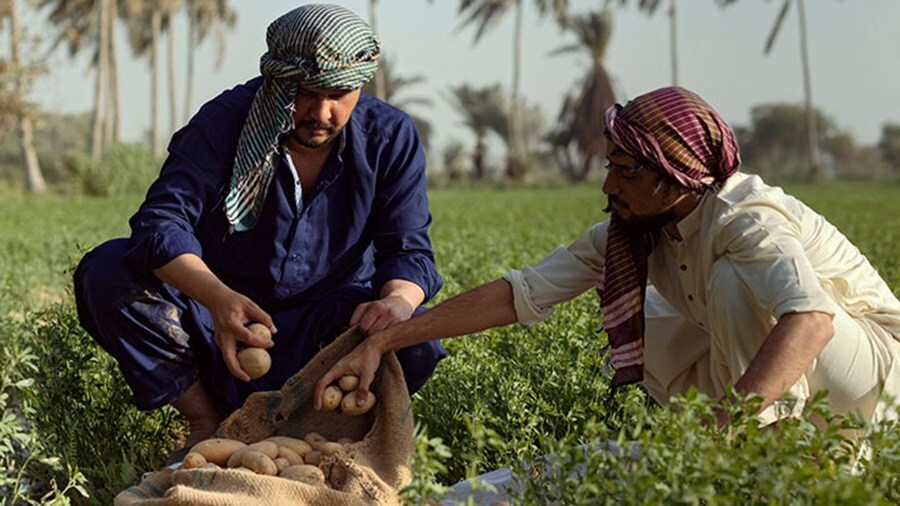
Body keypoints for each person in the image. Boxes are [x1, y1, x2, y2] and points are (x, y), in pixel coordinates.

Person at [316, 86, 900, 431]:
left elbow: (811, 320)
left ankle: (753, 444)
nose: (608, 188)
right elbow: (520, 294)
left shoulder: (744, 217)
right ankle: (736, 437)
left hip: (874, 377)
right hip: (808, 377)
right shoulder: (631, 231)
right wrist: (384, 341)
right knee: (646, 315)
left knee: (727, 285)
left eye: (626, 172)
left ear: (676, 180)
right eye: (609, 167)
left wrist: (726, 430)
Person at [73, 4, 445, 451]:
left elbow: (408, 251)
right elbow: (160, 224)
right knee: (108, 272)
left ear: (360, 86)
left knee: (417, 337)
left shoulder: (389, 138)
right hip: (220, 321)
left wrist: (397, 304)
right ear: (277, 79)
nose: (322, 113)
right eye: (305, 92)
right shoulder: (226, 121)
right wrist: (217, 298)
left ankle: (321, 436)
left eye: (339, 95)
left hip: (326, 327)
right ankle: (206, 422)